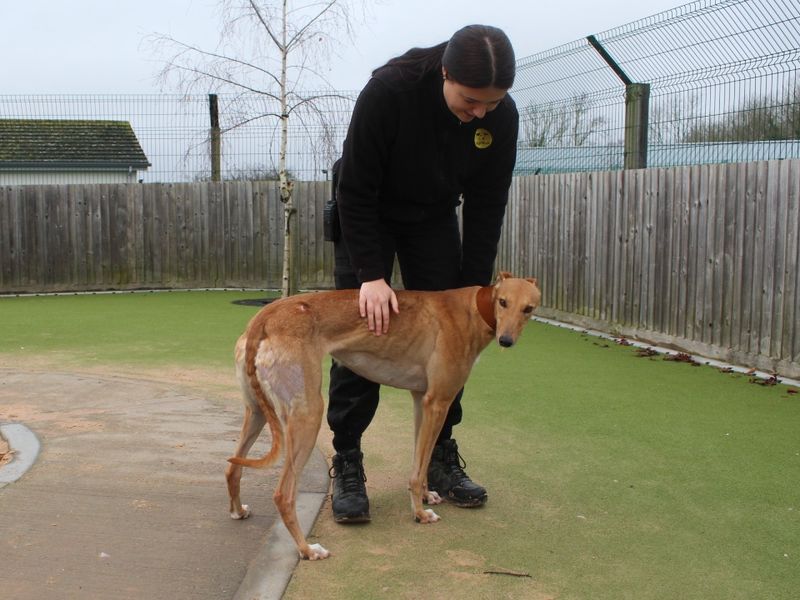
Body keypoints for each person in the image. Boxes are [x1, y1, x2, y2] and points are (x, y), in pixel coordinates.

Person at [327, 24, 519, 523]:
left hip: (432, 217)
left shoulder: (500, 117)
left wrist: (472, 291)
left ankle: (438, 457)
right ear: (445, 73)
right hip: (367, 211)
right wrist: (370, 275)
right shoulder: (390, 90)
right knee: (364, 328)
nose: (481, 113)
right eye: (471, 100)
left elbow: (487, 205)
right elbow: (355, 188)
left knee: (454, 340)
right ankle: (347, 459)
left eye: (493, 103)